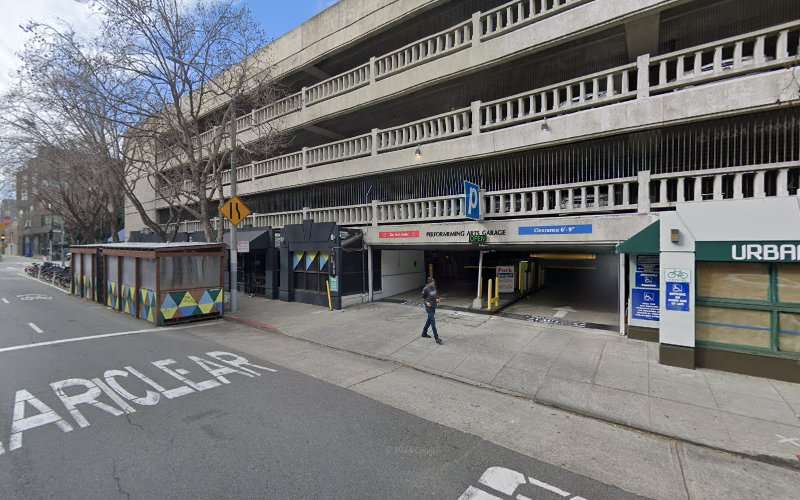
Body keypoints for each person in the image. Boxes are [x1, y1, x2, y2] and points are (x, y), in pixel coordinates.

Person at [421, 277, 442, 344]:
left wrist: (438, 299)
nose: (434, 283)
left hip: (433, 306)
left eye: (434, 282)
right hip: (428, 308)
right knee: (433, 323)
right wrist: (426, 303)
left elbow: (436, 295)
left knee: (429, 320)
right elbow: (423, 298)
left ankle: (424, 333)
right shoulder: (425, 289)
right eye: (433, 282)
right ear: (430, 283)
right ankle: (437, 338)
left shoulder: (434, 287)